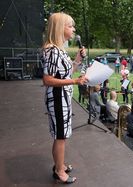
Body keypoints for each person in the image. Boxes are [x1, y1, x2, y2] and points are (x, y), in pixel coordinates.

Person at [42, 12, 87, 184]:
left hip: (63, 97)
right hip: (58, 98)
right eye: (70, 26)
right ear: (60, 28)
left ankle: (59, 164)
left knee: (62, 135)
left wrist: (77, 60)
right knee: (60, 136)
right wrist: (76, 81)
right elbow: (47, 80)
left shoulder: (59, 50)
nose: (74, 29)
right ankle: (59, 171)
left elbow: (66, 73)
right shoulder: (52, 51)